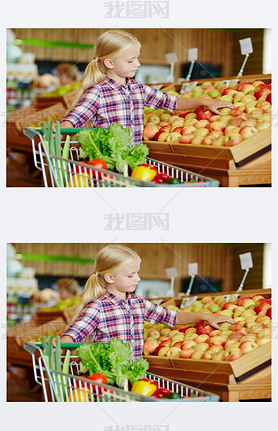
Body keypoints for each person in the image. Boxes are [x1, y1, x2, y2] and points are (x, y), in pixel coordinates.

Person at [59, 29, 234, 145]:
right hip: (108, 162)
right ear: (110, 62)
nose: (138, 63)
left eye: (137, 58)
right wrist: (59, 130)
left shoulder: (138, 89)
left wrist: (205, 101)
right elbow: (75, 118)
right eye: (131, 60)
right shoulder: (98, 92)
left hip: (134, 160)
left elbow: (172, 102)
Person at [60, 244, 233, 360]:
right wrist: (59, 345)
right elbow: (75, 333)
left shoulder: (138, 304)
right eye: (131, 275)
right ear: (110, 277)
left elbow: (173, 317)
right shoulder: (98, 307)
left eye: (137, 273)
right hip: (108, 377)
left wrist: (206, 316)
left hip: (134, 376)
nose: (138, 278)